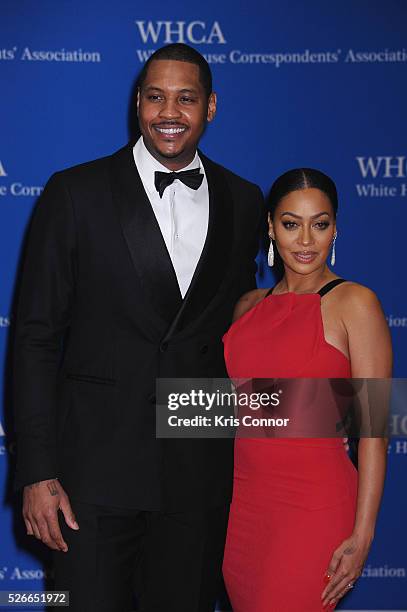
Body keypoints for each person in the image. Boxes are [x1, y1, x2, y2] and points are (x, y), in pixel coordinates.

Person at [12, 43, 264, 611]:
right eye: (155, 97)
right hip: (89, 477)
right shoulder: (74, 193)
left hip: (197, 475)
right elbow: (34, 337)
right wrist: (36, 471)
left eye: (185, 99)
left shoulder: (245, 201)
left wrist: (330, 415)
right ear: (137, 104)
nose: (168, 113)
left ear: (211, 107)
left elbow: (250, 332)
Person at [222, 168, 392, 611]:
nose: (305, 240)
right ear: (271, 228)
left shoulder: (355, 303)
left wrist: (363, 533)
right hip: (240, 509)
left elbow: (374, 429)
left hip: (313, 509)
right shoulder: (247, 306)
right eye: (290, 223)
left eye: (319, 224)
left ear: (335, 228)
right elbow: (233, 412)